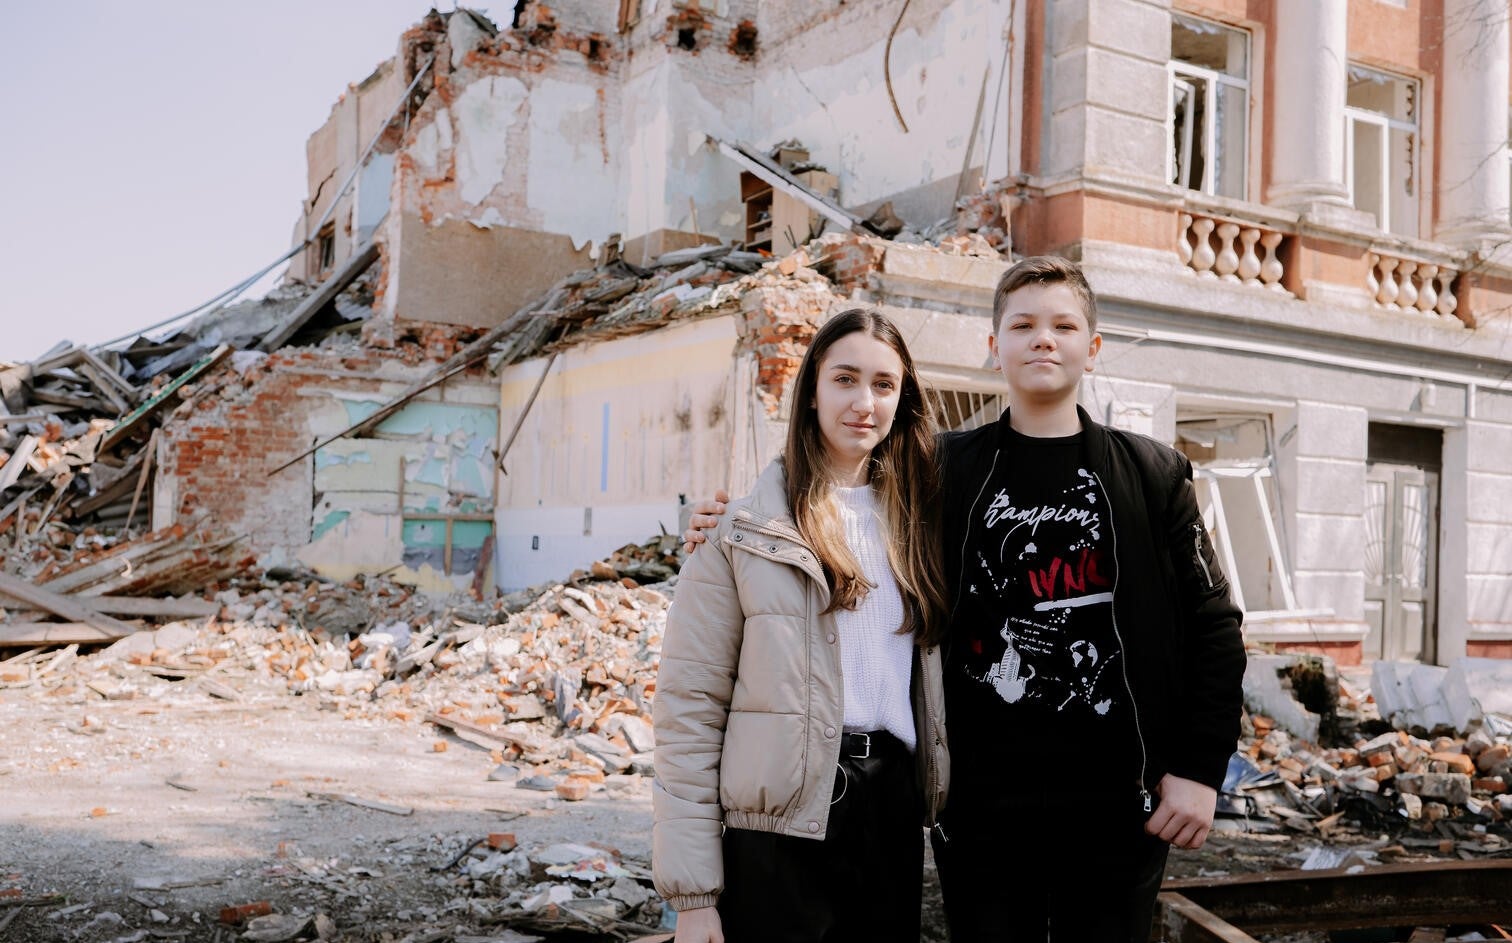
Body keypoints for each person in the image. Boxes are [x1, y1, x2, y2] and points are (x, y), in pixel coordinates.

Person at [683, 256, 1246, 942]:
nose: (1044, 339)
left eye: (1064, 325)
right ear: (993, 346)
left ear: (1093, 348)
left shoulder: (1153, 476)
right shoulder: (941, 471)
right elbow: (834, 495)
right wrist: (729, 518)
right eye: (1023, 325)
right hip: (981, 814)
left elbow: (1216, 627)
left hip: (1117, 808)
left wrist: (1198, 769)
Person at [652, 308, 951, 943]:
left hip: (890, 814)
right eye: (844, 379)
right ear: (811, 390)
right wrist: (694, 896)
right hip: (775, 829)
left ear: (902, 399)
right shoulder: (741, 533)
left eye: (883, 384)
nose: (863, 402)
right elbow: (689, 711)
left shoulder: (924, 529)